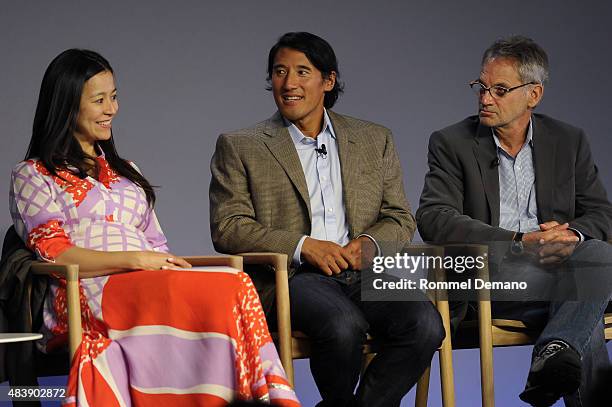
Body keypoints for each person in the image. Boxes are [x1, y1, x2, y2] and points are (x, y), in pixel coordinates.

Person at [9, 49, 299, 407]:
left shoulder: (128, 171)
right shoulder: (34, 174)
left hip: (146, 280)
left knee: (233, 280)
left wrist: (154, 263)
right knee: (228, 283)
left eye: (113, 97)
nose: (111, 109)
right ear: (67, 104)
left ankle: (240, 397)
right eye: (99, 100)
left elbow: (156, 247)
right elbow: (55, 252)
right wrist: (134, 261)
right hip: (84, 287)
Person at [210, 32, 444, 407]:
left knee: (426, 326)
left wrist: (368, 245)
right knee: (342, 326)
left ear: (328, 81)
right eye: (279, 72)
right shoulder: (242, 145)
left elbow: (399, 216)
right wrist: (305, 247)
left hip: (363, 273)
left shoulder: (373, 139)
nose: (288, 83)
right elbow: (228, 226)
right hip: (292, 278)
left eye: (302, 72)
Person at [417, 36, 612, 407]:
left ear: (533, 95)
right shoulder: (451, 142)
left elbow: (601, 212)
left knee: (594, 261)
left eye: (500, 90)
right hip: (491, 278)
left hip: (560, 276)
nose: (485, 98)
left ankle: (555, 350)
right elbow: (434, 218)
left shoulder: (568, 140)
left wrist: (571, 234)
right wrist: (521, 240)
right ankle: (559, 348)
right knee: (592, 285)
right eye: (482, 87)